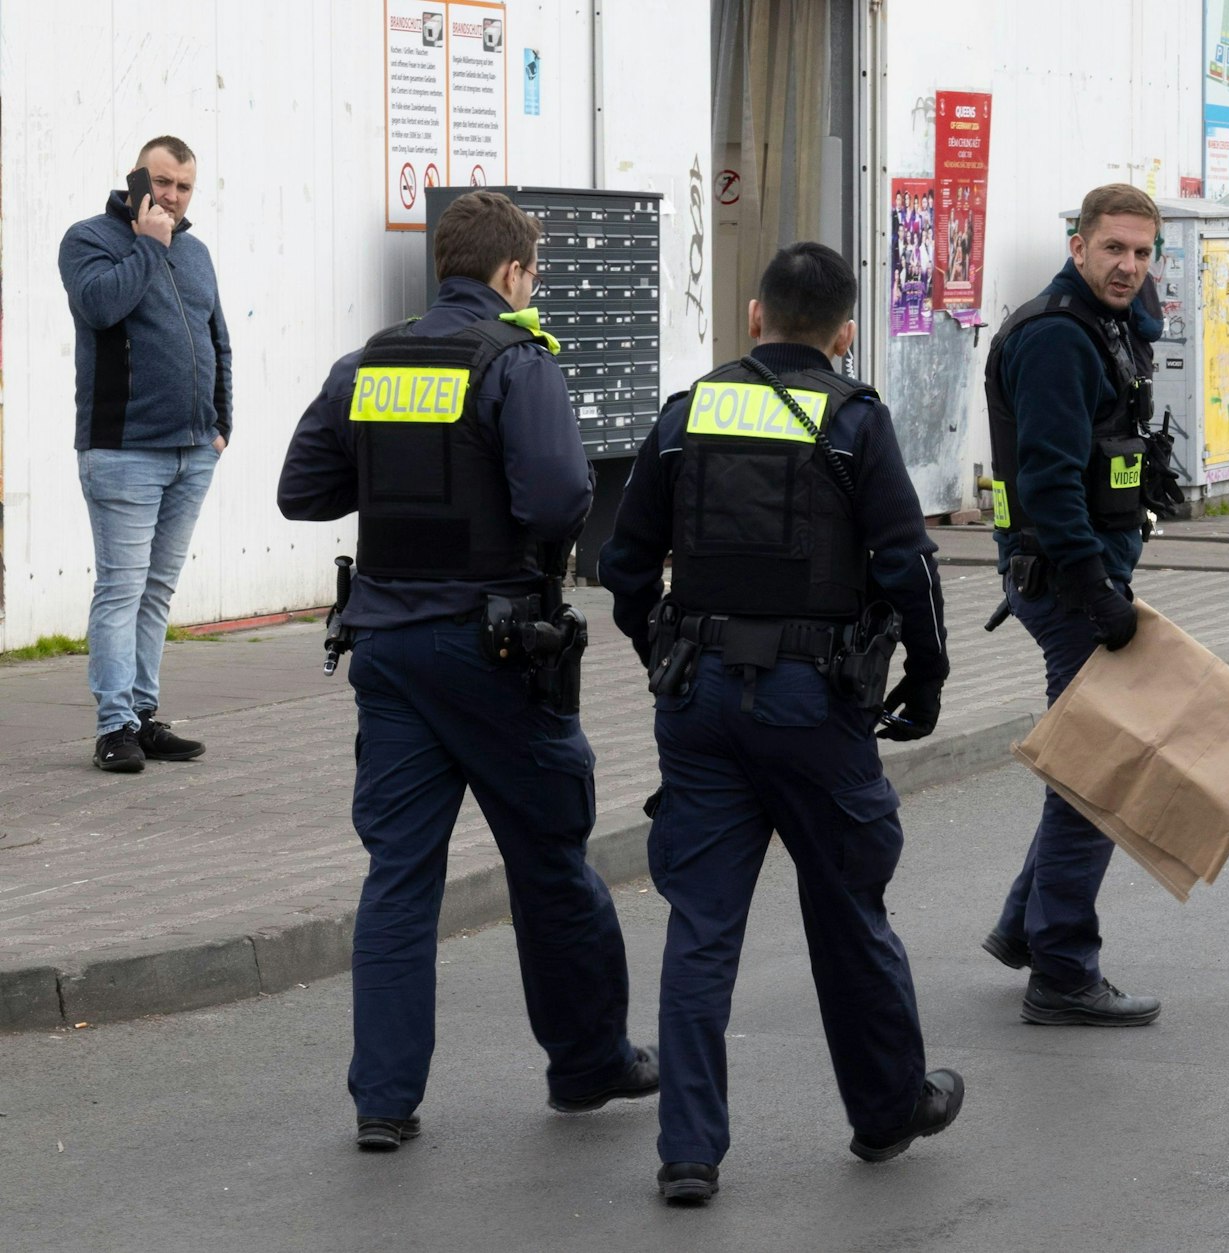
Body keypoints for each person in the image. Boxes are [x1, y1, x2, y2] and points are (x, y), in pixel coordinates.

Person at [277, 190, 656, 1152]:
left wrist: (399, 477)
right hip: (496, 653)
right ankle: (587, 1063)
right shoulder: (515, 361)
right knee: (549, 859)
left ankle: (383, 1100)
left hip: (388, 652)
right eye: (534, 273)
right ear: (513, 273)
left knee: (400, 877)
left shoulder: (367, 363)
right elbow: (561, 499)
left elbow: (302, 490)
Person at [598, 242, 961, 1204]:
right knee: (848, 908)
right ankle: (887, 1110)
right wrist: (926, 676)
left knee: (701, 924)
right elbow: (907, 565)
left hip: (698, 699)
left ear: (755, 317)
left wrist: (661, 651)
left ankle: (688, 1149)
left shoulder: (688, 412)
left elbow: (623, 564)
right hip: (813, 703)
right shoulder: (854, 420)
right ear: (845, 333)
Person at [979, 183, 1164, 1027]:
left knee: (1083, 760)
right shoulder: (1058, 336)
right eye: (1113, 248)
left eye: (1142, 252)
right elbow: (1051, 482)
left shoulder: (1102, 323)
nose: (1129, 266)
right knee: (1097, 772)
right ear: (1078, 244)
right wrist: (1096, 594)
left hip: (1082, 573)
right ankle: (1061, 969)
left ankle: (1028, 925)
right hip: (1066, 581)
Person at [59, 136, 231, 773]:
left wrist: (222, 425)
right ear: (135, 178)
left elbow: (217, 340)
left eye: (184, 187)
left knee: (156, 592)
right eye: (162, 182)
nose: (173, 197)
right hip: (123, 452)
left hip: (193, 452)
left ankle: (141, 714)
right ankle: (113, 727)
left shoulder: (197, 252)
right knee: (121, 589)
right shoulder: (90, 240)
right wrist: (149, 244)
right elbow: (101, 306)